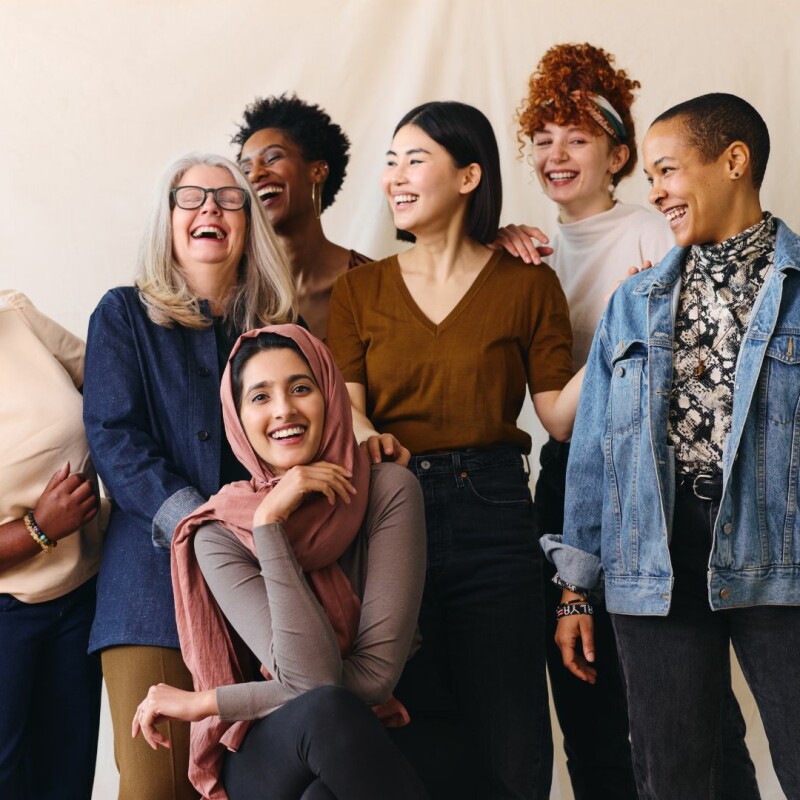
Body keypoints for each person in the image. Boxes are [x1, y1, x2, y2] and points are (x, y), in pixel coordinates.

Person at [508, 43, 758, 800]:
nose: (557, 155)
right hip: (568, 480)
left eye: (577, 138)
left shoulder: (659, 232)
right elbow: (554, 420)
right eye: (543, 139)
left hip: (651, 478)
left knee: (687, 705)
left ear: (619, 152)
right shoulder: (522, 254)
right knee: (583, 699)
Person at [544, 92, 800, 798]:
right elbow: (594, 451)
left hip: (781, 552)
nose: (654, 192)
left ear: (734, 162)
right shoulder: (634, 302)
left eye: (666, 171)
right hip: (650, 560)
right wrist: (575, 590)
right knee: (674, 777)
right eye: (650, 177)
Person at [328, 100, 583, 800]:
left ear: (469, 176)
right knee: (406, 726)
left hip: (495, 510)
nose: (395, 176)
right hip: (388, 509)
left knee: (510, 730)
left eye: (415, 159)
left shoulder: (528, 285)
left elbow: (559, 416)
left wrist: (628, 318)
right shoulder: (358, 290)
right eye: (390, 161)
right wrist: (362, 435)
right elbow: (346, 407)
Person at [132, 325, 429, 800]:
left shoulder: (388, 490)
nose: (284, 410)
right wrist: (269, 522)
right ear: (237, 419)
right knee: (326, 712)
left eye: (300, 388)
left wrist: (208, 702)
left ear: (330, 395)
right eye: (260, 397)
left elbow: (373, 677)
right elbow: (315, 689)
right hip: (267, 748)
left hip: (359, 734)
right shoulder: (219, 531)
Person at [83, 153, 295, 800]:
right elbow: (114, 440)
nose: (210, 209)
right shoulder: (122, 315)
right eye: (192, 198)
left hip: (260, 592)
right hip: (147, 597)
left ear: (250, 224)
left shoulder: (279, 332)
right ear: (169, 219)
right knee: (155, 788)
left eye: (229, 200)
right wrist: (200, 522)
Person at [0, 290, 103, 800]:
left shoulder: (15, 315)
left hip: (81, 595)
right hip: (5, 616)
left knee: (66, 781)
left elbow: (110, 384)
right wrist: (39, 528)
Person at [233, 93, 370, 340]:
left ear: (317, 171)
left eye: (272, 158)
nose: (255, 175)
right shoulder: (234, 288)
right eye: (245, 170)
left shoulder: (372, 281)